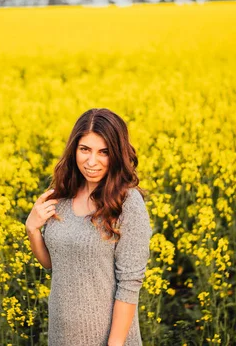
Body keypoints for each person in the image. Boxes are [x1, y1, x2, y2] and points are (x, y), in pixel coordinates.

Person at [25, 108, 153, 346]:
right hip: (62, 335)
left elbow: (130, 284)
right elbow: (55, 263)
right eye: (85, 149)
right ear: (74, 149)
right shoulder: (61, 195)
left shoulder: (128, 202)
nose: (92, 161)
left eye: (103, 152)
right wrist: (32, 230)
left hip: (107, 339)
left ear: (117, 155)